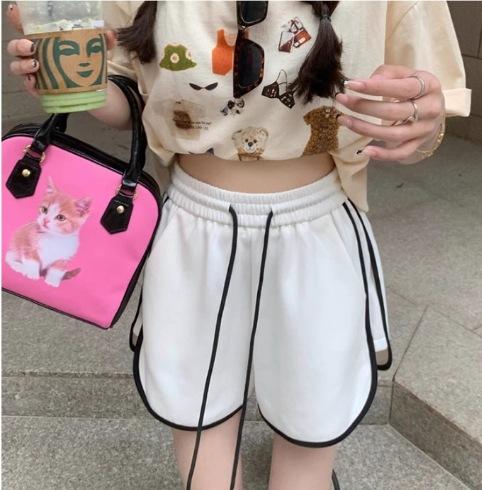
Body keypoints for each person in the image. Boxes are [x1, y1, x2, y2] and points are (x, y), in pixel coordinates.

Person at [6, 1, 471, 489]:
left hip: (316, 226)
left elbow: (426, 110)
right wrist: (72, 81)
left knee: (310, 422)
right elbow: (131, 93)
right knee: (197, 414)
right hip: (193, 224)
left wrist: (416, 121)